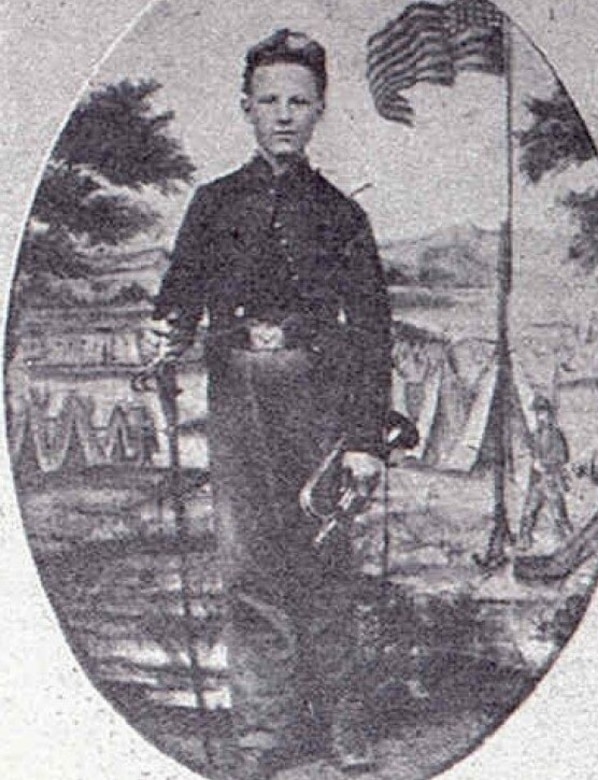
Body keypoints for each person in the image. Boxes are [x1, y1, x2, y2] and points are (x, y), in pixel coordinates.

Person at [151, 29, 392, 779]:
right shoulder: (213, 202)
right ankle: (263, 738)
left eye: (299, 101)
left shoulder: (341, 215)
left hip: (320, 395)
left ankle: (343, 729)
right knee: (249, 565)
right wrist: (164, 336)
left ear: (320, 111)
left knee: (323, 560)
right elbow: (176, 302)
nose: (284, 115)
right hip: (238, 393)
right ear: (246, 109)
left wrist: (364, 440)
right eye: (269, 101)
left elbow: (375, 334)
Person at [518, 395, 573, 551]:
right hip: (536, 481)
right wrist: (533, 463)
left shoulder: (556, 435)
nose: (540, 416)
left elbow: (562, 457)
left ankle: (568, 544)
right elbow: (531, 453)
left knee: (558, 514)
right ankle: (524, 544)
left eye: (543, 412)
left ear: (549, 414)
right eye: (538, 413)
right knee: (529, 512)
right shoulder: (535, 435)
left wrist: (545, 465)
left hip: (552, 479)